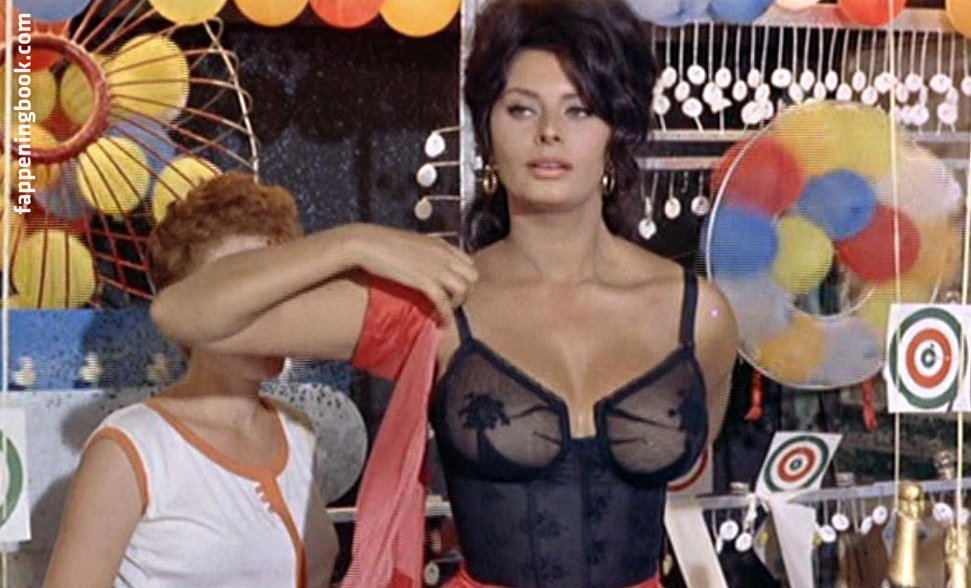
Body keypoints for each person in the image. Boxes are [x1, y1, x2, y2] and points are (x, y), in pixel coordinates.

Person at [149, 1, 738, 586]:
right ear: (487, 128)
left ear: (617, 129)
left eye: (579, 109)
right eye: (521, 108)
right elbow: (185, 313)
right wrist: (351, 242)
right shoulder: (438, 302)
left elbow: (694, 462)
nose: (549, 132)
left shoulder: (697, 314)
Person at [44, 172, 338, 588]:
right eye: (239, 292)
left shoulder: (297, 432)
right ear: (190, 309)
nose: (267, 308)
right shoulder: (130, 449)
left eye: (276, 287)